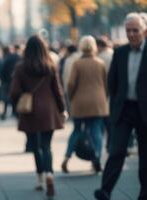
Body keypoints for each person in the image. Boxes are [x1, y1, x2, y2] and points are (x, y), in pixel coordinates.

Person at [95, 13, 147, 200]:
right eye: (128, 31)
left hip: (145, 111)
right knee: (116, 151)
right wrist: (116, 102)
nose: (131, 34)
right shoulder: (120, 52)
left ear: (145, 31)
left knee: (145, 158)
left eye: (135, 30)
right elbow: (112, 82)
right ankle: (105, 190)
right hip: (124, 110)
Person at [10, 35, 65, 199]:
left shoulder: (21, 67)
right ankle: (50, 174)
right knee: (47, 146)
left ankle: (40, 178)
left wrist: (19, 101)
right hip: (49, 110)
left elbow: (13, 91)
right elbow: (58, 90)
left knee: (35, 146)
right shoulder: (50, 65)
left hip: (30, 111)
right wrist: (62, 109)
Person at [61, 36, 109, 173]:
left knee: (76, 130)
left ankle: (67, 156)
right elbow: (106, 83)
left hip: (79, 102)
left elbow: (70, 84)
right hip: (98, 102)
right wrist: (104, 96)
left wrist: (71, 97)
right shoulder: (100, 63)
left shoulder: (77, 64)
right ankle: (97, 159)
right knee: (96, 132)